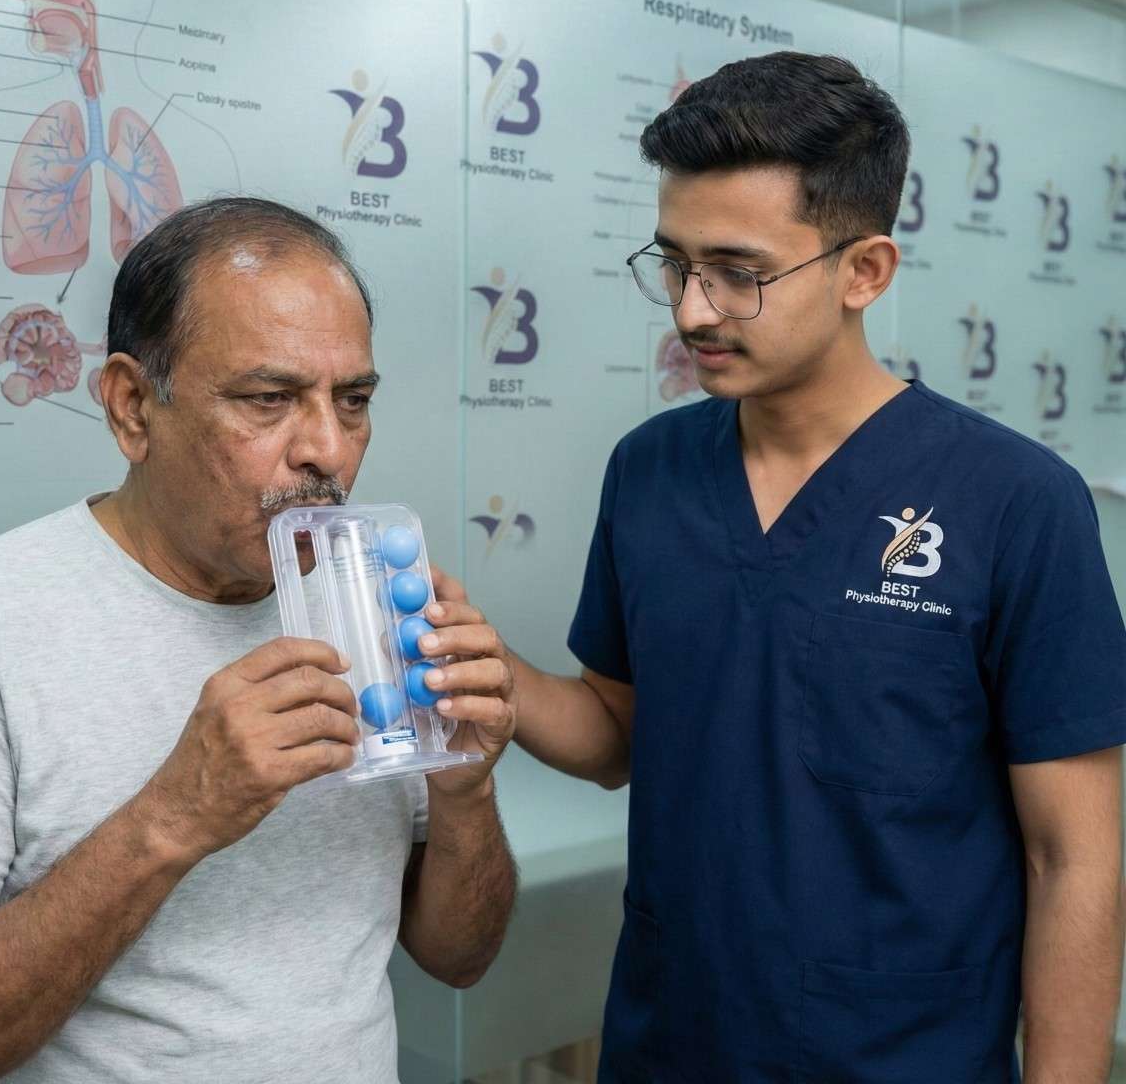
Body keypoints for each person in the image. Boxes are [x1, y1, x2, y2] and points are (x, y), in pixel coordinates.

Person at [443, 53, 1123, 1081]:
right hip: (671, 1041)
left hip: (903, 1054)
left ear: (863, 271)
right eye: (672, 263)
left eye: (736, 273)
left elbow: (1071, 855)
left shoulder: (1014, 502)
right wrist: (487, 668)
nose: (690, 311)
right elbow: (618, 733)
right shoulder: (651, 471)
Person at [0, 197, 518, 1083]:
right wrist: (171, 820)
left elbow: (458, 958)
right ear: (132, 408)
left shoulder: (375, 606)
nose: (327, 449)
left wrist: (468, 793)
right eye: (269, 399)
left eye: (352, 401)